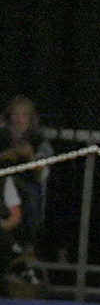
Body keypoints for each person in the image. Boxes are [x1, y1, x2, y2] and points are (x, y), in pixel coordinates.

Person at [0, 96, 53, 249]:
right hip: (2, 186)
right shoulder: (3, 136)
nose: (20, 119)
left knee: (30, 199)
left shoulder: (38, 139)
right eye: (16, 115)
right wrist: (6, 155)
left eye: (24, 115)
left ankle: (27, 248)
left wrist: (30, 156)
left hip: (27, 189)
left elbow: (42, 174)